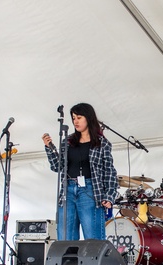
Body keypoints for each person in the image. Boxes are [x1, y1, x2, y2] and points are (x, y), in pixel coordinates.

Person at [41, 103, 118, 241]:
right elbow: (57, 167)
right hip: (68, 191)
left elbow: (109, 171)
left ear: (88, 118)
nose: (75, 121)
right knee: (65, 238)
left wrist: (109, 195)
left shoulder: (102, 143)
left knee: (93, 239)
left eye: (79, 117)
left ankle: (93, 263)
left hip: (90, 190)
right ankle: (68, 262)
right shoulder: (68, 141)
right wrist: (49, 148)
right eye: (73, 118)